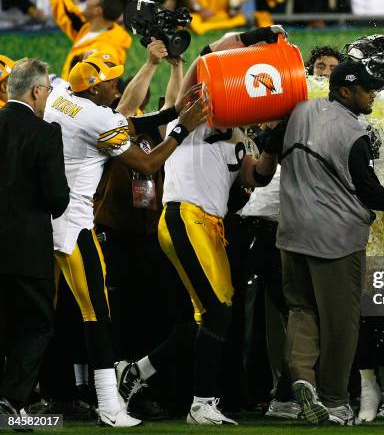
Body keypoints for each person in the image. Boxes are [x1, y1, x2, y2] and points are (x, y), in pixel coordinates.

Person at [113, 26, 290, 426]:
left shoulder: (239, 133)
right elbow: (203, 55)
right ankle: (201, 403)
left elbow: (255, 178)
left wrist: (276, 143)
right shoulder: (196, 109)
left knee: (211, 316)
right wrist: (254, 37)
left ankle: (137, 372)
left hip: (211, 225)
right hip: (185, 216)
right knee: (218, 312)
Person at [44, 53, 205, 427]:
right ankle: (109, 406)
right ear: (96, 87)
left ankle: (18, 403)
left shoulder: (59, 95)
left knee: (40, 317)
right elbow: (147, 164)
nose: (117, 87)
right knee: (96, 314)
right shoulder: (97, 116)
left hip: (46, 222)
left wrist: (168, 117)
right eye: (112, 80)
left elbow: (126, 121)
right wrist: (180, 130)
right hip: (76, 225)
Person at [277, 59, 384, 426]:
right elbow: (370, 190)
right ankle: (334, 400)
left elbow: (270, 151)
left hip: (291, 231)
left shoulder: (299, 111)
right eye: (367, 90)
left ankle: (302, 375)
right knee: (341, 322)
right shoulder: (352, 133)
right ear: (345, 92)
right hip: (335, 238)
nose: (373, 95)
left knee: (301, 310)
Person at [0, 58, 70, 418]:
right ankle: (13, 400)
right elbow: (58, 196)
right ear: (37, 91)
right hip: (28, 249)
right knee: (37, 324)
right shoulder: (45, 133)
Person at [47, 0, 131, 79]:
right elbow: (62, 4)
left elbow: (99, 87)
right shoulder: (85, 29)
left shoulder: (106, 51)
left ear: (97, 11)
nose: (87, 2)